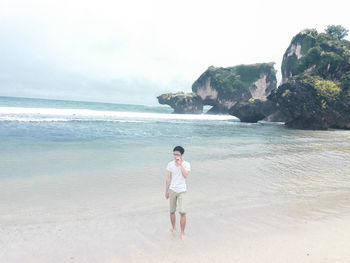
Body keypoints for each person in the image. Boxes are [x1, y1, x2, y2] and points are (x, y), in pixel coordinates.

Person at [165, 146, 191, 240]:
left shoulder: (187, 164)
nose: (176, 156)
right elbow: (168, 178)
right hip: (172, 190)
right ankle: (173, 228)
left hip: (182, 191)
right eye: (174, 154)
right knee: (172, 211)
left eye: (177, 155)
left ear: (182, 155)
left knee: (183, 213)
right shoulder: (170, 164)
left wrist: (180, 165)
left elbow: (185, 176)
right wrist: (166, 191)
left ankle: (182, 233)